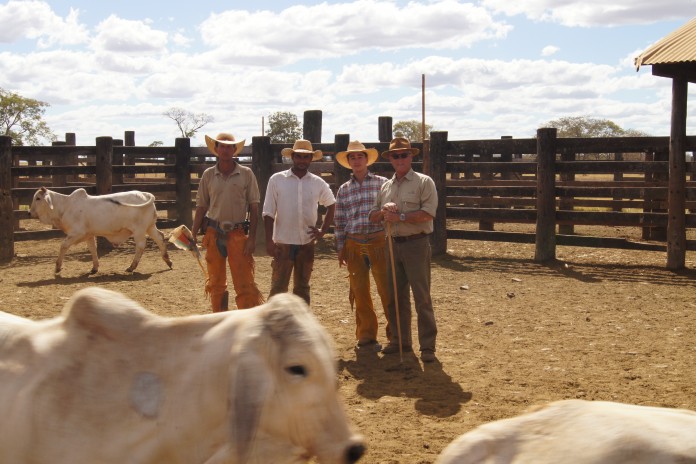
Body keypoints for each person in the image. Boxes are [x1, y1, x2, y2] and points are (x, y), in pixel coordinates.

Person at [368, 137, 438, 363]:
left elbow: (428, 213)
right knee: (395, 297)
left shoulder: (424, 182)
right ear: (390, 159)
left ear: (411, 157)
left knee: (421, 297)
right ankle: (400, 341)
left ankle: (427, 347)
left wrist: (400, 216)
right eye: (395, 156)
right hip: (391, 244)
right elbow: (373, 216)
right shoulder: (386, 187)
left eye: (403, 155)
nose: (400, 159)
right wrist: (383, 212)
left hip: (416, 244)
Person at [191, 132, 264, 312]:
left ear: (234, 150)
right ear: (216, 149)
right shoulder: (208, 175)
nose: (225, 150)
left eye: (228, 146)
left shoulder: (246, 174)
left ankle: (247, 321)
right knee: (215, 283)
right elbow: (201, 206)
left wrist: (252, 238)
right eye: (221, 146)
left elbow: (254, 209)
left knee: (244, 283)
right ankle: (219, 317)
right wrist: (192, 233)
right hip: (213, 233)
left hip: (238, 234)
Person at [263, 139, 336, 305]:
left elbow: (332, 204)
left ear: (311, 159)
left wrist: (323, 230)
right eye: (299, 156)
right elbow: (268, 213)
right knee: (278, 289)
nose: (302, 160)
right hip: (283, 243)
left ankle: (300, 328)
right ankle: (274, 328)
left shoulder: (318, 182)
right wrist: (269, 241)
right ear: (292, 157)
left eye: (306, 157)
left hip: (306, 243)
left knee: (302, 288)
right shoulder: (277, 180)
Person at [334, 141, 392, 352]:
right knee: (360, 292)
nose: (356, 161)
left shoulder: (382, 183)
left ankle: (395, 336)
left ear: (367, 159)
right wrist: (340, 247)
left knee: (387, 289)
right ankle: (366, 336)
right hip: (354, 242)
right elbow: (339, 220)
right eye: (352, 158)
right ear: (348, 162)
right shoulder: (343, 189)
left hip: (378, 240)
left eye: (360, 157)